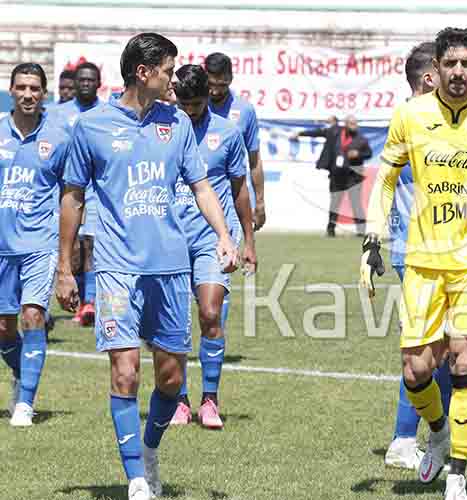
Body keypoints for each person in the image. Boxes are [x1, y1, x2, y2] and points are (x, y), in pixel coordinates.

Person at [55, 33, 238, 500]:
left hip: (170, 269)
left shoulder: (176, 123)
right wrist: (65, 267)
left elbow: (201, 186)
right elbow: (73, 197)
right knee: (125, 372)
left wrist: (223, 234)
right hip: (116, 270)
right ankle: (136, 477)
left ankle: (150, 449)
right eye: (168, 70)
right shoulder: (92, 126)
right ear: (143, 72)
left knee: (171, 380)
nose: (173, 79)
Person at [360, 27, 467, 500]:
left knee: (463, 357)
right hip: (422, 261)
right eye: (450, 63)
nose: (458, 72)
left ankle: (457, 472)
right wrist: (373, 238)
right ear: (435, 68)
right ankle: (437, 432)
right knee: (416, 370)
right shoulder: (410, 116)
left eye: (466, 64)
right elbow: (386, 180)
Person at [169, 64, 257, 428]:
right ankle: (178, 401)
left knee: (209, 313)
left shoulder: (228, 132)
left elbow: (239, 188)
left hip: (212, 238)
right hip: (169, 238)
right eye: (185, 104)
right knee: (174, 325)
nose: (191, 111)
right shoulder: (163, 129)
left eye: (197, 103)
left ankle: (210, 400)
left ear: (209, 96)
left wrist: (248, 240)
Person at [0, 63, 70, 426]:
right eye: (22, 87)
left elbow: (71, 196)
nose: (28, 94)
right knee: (3, 328)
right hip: (2, 244)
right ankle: (20, 371)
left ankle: (25, 403)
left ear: (44, 93)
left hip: (39, 243)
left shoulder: (59, 138)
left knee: (33, 316)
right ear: (11, 90)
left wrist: (68, 253)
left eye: (34, 88)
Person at [53, 61, 103, 327]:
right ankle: (78, 298)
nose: (85, 83)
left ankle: (90, 303)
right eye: (81, 79)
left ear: (98, 84)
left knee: (90, 245)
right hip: (66, 190)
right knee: (72, 249)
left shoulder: (106, 113)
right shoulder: (58, 113)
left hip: (95, 190)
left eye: (90, 80)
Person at [205, 52, 266, 231]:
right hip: (197, 196)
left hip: (233, 199)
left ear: (231, 78)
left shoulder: (245, 110)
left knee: (230, 247)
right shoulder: (193, 104)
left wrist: (260, 202)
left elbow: (254, 160)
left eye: (221, 85)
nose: (215, 91)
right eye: (211, 84)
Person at [293, 114, 372, 236]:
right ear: (345, 124)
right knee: (335, 203)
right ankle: (330, 230)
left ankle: (361, 231)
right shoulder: (335, 132)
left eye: (355, 123)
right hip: (337, 175)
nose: (354, 126)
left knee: (356, 203)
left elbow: (369, 153)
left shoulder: (361, 139)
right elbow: (318, 133)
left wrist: (358, 154)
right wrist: (300, 133)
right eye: (351, 123)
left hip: (353, 177)